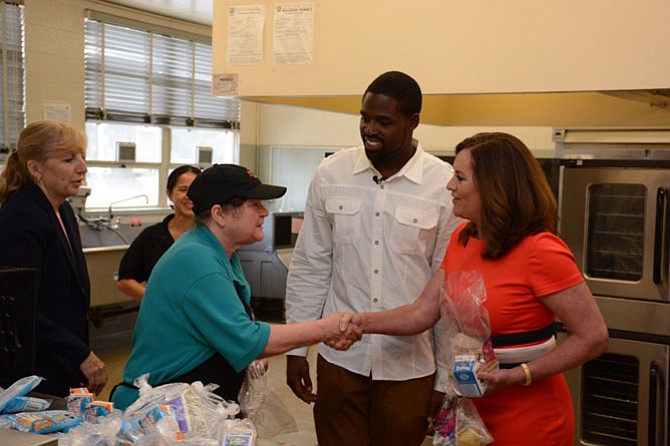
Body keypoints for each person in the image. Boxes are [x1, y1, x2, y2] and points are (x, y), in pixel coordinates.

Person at [355, 132, 609, 445]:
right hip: (470, 409)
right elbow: (422, 312)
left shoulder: (541, 250)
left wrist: (516, 375)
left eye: (459, 178)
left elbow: (593, 336)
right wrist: (357, 323)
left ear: (494, 187)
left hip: (529, 416)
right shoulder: (462, 239)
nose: (450, 186)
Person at [284, 71, 463, 446]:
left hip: (409, 366)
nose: (370, 129)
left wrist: (446, 374)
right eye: (364, 118)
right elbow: (311, 265)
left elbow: (448, 290)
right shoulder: (332, 173)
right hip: (340, 360)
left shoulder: (443, 185)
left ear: (413, 122)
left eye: (384, 121)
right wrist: (296, 347)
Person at [110, 164, 362, 410]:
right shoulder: (197, 259)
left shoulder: (222, 253)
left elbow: (232, 330)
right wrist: (327, 327)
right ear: (219, 214)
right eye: (254, 205)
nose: (264, 212)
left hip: (192, 403)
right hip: (163, 409)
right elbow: (250, 339)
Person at [0, 120, 108, 397]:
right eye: (68, 159)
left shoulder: (63, 211)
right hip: (35, 369)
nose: (82, 167)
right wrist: (80, 354)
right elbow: (20, 309)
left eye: (82, 157)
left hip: (63, 361)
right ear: (35, 168)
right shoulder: (21, 216)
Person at [117, 165, 201, 301]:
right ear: (169, 194)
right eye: (183, 190)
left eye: (195, 190)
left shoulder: (214, 236)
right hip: (162, 318)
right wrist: (157, 302)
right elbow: (125, 281)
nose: (189, 196)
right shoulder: (151, 237)